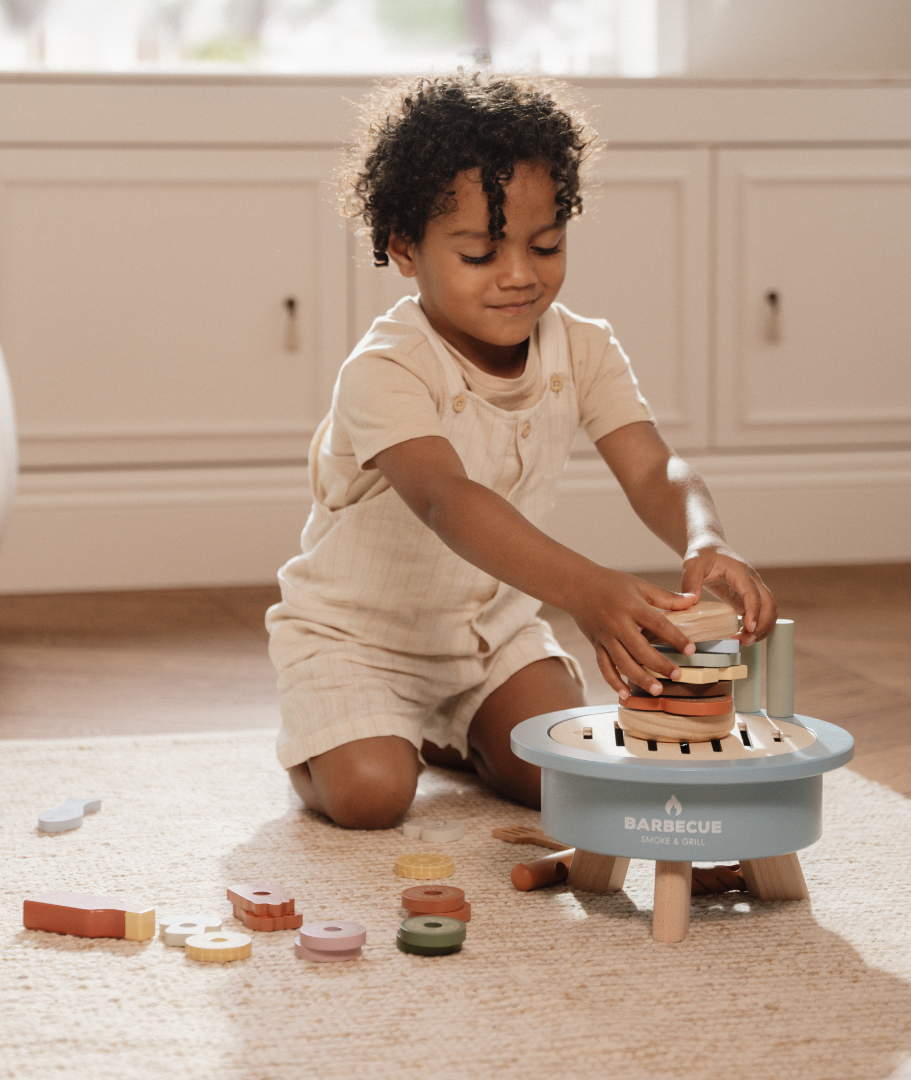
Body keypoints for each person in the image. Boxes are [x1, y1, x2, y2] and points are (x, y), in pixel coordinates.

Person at [266, 72, 776, 830]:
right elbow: (447, 500)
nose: (519, 276)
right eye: (479, 254)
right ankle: (324, 744)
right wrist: (584, 590)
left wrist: (706, 537)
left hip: (490, 637)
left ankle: (452, 734)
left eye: (546, 246)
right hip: (358, 639)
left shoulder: (585, 347)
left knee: (559, 776)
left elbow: (652, 466)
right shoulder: (387, 368)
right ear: (405, 249)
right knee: (372, 795)